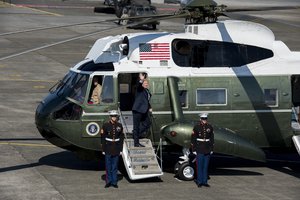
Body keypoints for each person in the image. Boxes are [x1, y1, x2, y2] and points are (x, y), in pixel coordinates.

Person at [101, 110, 124, 188]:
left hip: (116, 147)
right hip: (108, 147)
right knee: (108, 166)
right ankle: (108, 181)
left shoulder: (119, 125)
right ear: (110, 117)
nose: (114, 117)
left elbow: (121, 138)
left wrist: (121, 149)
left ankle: (114, 182)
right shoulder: (105, 125)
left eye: (115, 116)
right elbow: (103, 138)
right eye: (112, 116)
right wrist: (103, 149)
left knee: (115, 166)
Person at [191, 113, 214, 188]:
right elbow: (193, 139)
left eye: (205, 119)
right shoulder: (196, 127)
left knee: (205, 166)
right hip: (199, 148)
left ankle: (205, 182)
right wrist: (194, 149)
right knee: (199, 166)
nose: (204, 120)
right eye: (203, 119)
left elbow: (212, 139)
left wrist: (211, 149)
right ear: (200, 119)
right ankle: (199, 182)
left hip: (207, 148)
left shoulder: (210, 127)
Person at [132, 73, 152, 147]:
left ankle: (135, 133)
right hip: (137, 110)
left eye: (147, 83)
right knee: (136, 126)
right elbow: (139, 85)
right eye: (145, 83)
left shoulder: (147, 91)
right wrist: (141, 79)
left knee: (148, 123)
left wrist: (149, 107)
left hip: (144, 110)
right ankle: (136, 143)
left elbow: (146, 100)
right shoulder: (139, 89)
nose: (146, 84)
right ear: (142, 84)